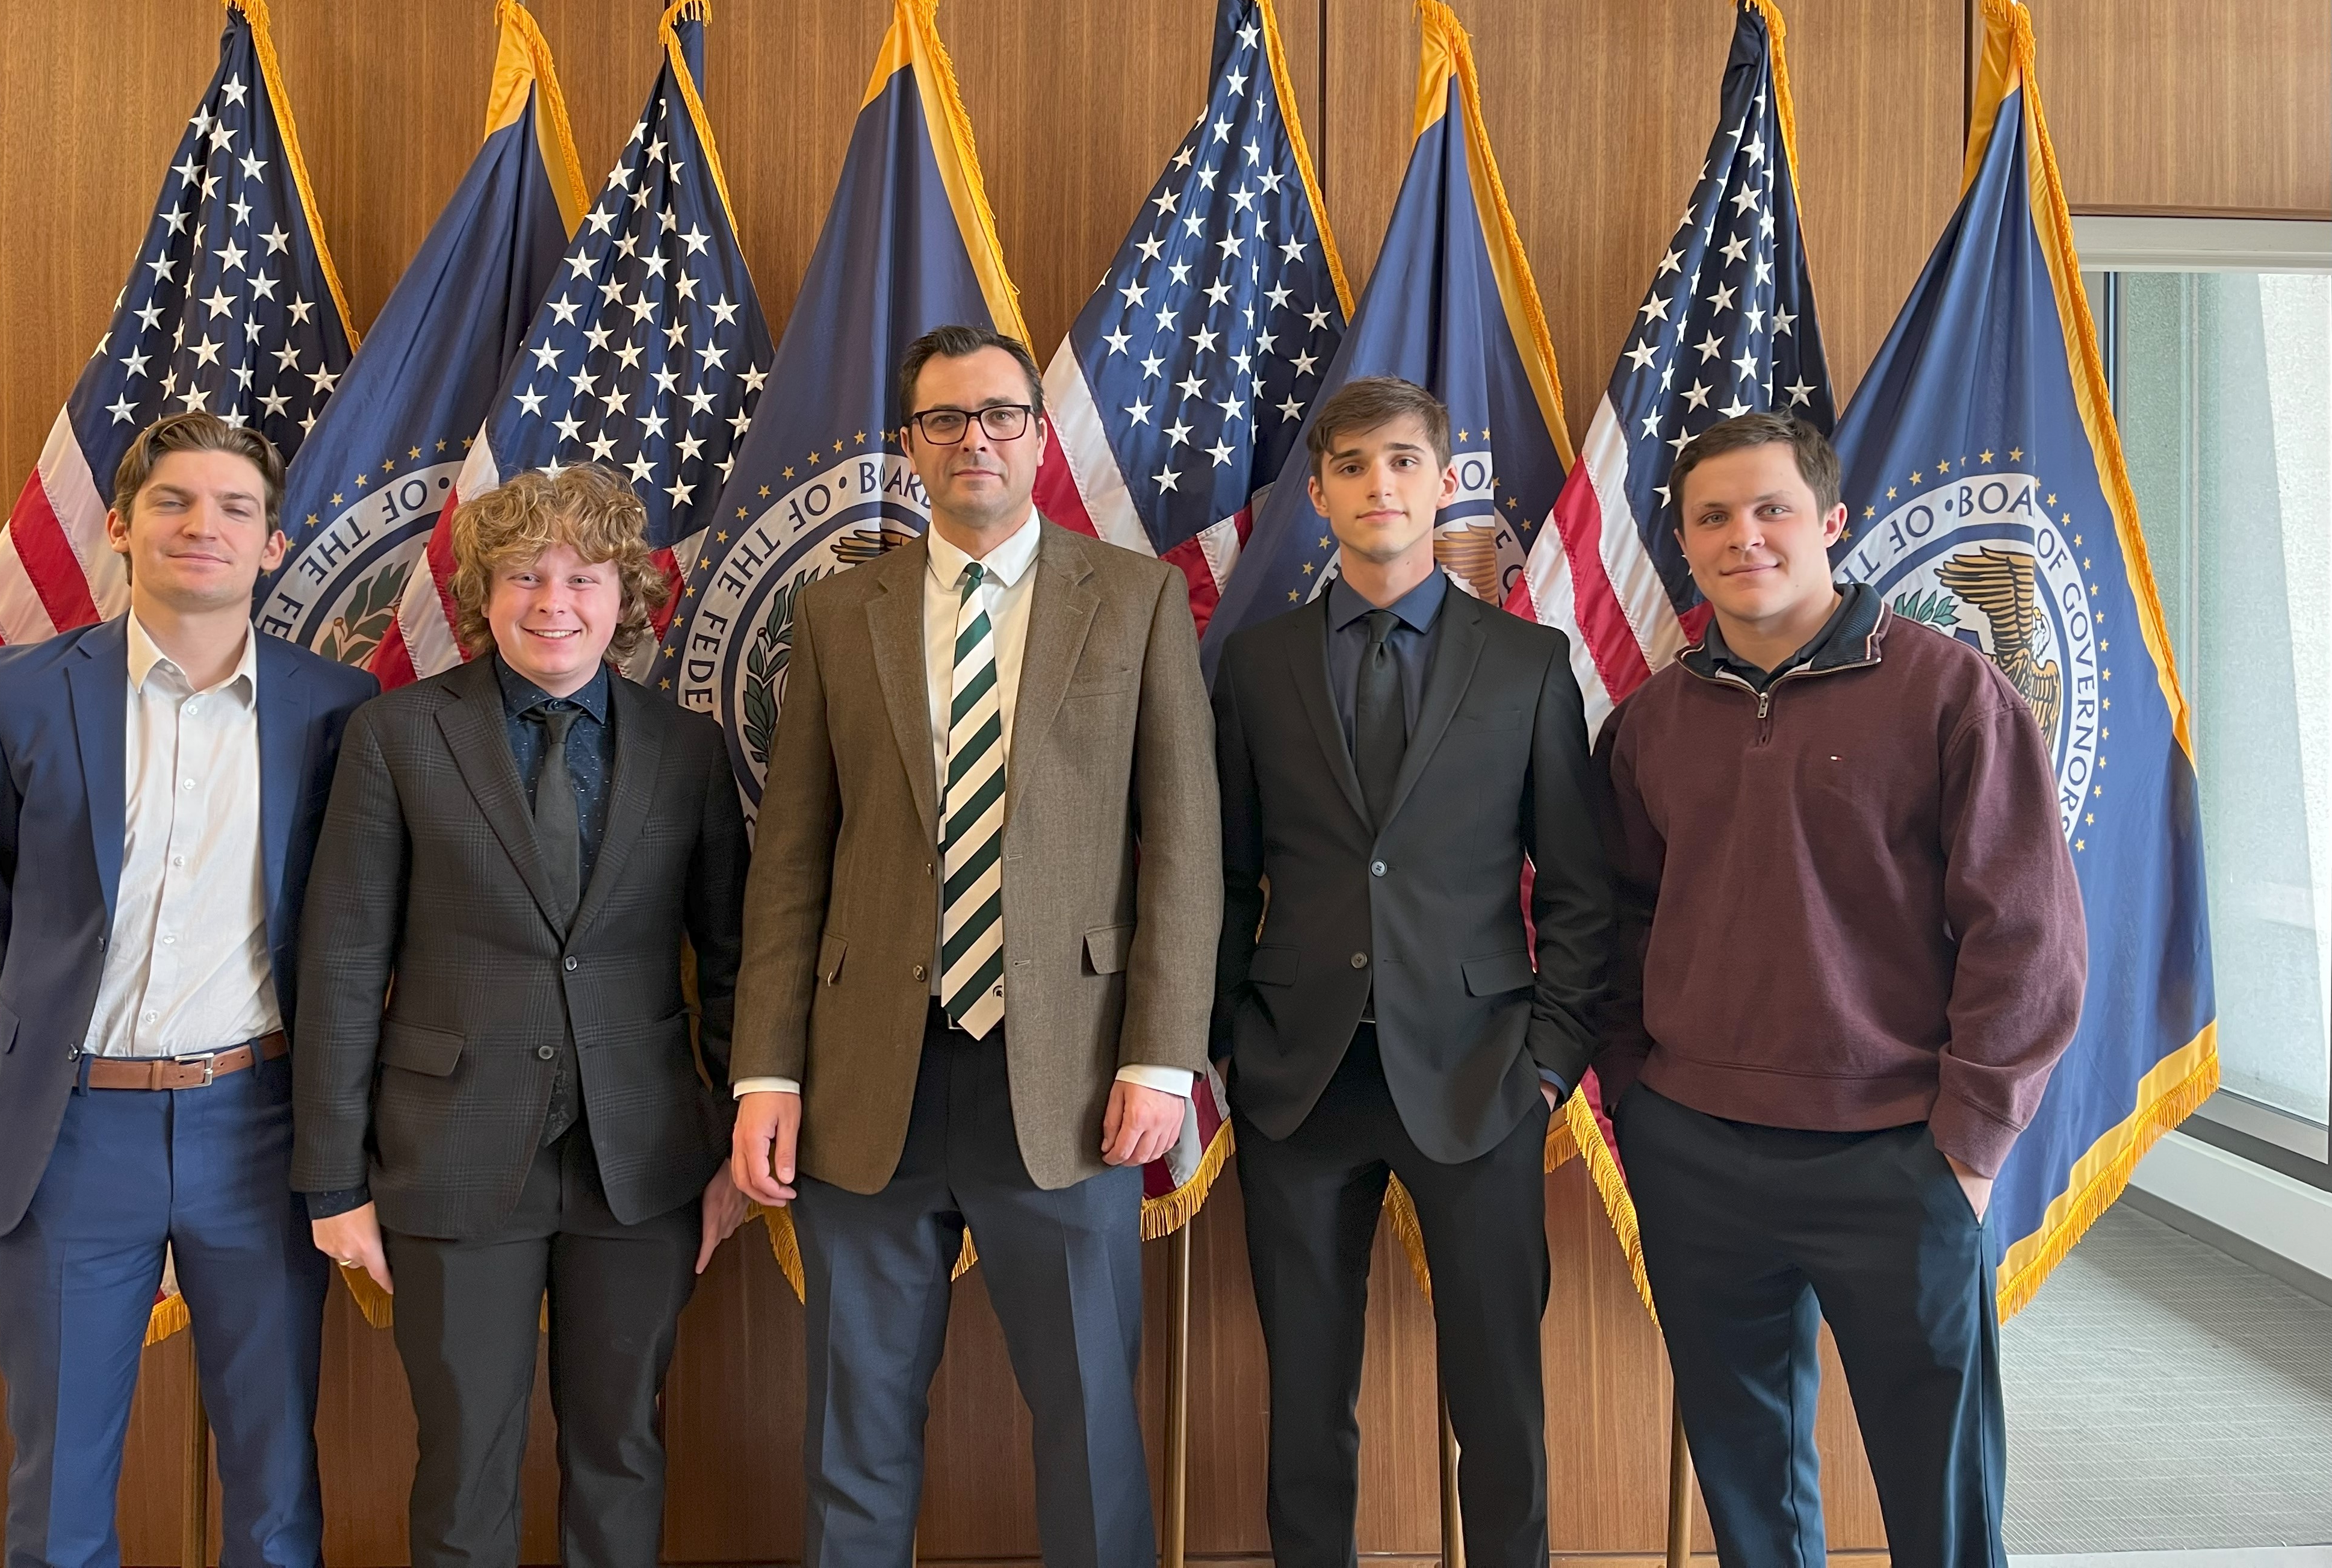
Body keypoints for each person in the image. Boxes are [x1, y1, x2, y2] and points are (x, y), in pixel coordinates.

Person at [728, 324, 1222, 1568]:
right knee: (858, 1427)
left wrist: (1162, 1058)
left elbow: (1187, 847)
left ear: (1038, 436)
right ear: (911, 448)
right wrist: (765, 1074)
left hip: (1069, 1085)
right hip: (864, 1089)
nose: (974, 441)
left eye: (998, 415)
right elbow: (791, 863)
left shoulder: (1139, 598)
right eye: (944, 421)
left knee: (1092, 1430)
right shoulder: (839, 612)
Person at [1595, 411, 2087, 1568]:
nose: (1744, 537)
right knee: (1746, 1476)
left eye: (1772, 510)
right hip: (1698, 1153)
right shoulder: (1653, 723)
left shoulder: (1949, 692)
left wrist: (1966, 1148)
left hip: (1899, 1152)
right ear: (1684, 539)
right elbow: (1615, 923)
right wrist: (1641, 1097)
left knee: (1941, 1490)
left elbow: (2029, 935)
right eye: (1713, 517)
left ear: (1831, 523)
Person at [0, 412, 377, 1568]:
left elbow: (348, 923)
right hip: (72, 1129)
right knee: (60, 1480)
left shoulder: (338, 711)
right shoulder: (16, 693)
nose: (204, 526)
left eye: (236, 508)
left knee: (275, 1479)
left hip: (262, 1127)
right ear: (121, 526)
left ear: (272, 546)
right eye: (174, 502)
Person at [289, 463, 751, 1568]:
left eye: (584, 577)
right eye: (524, 575)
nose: (554, 601)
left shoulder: (686, 747)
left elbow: (734, 959)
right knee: (463, 1461)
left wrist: (736, 1142)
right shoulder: (397, 735)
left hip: (639, 1163)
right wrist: (333, 1179)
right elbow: (344, 961)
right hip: (448, 1157)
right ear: (480, 595)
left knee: (622, 1449)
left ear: (626, 595)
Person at [1208, 376, 1613, 1568]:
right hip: (1299, 1079)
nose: (1378, 485)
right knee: (1306, 1407)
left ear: (1443, 486)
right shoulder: (1257, 665)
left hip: (1484, 1078)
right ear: (1321, 491)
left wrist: (1546, 1067)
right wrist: (1232, 1040)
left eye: (1402, 462)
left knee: (1499, 1406)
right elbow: (1226, 876)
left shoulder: (1529, 665)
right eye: (1351, 466)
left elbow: (1581, 891)